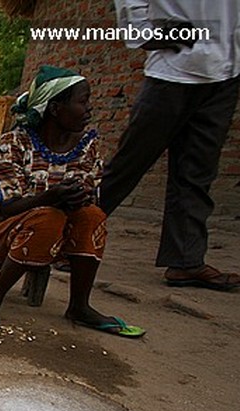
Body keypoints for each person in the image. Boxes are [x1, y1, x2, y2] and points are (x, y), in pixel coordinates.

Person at [0, 66, 145, 338]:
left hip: (60, 241)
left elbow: (91, 190)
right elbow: (8, 207)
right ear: (55, 108)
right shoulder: (12, 144)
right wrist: (52, 197)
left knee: (92, 215)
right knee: (48, 216)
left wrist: (79, 197)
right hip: (0, 236)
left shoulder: (86, 146)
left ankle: (80, 306)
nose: (89, 109)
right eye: (82, 101)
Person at [99, 1, 239, 291]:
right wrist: (142, 32)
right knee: (129, 163)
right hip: (172, 70)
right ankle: (67, 241)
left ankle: (186, 262)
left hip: (226, 74)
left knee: (197, 174)